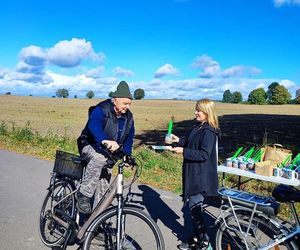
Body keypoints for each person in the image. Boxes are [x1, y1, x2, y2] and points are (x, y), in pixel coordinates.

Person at [169, 98, 221, 250]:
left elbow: (204, 154)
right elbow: (192, 145)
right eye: (196, 109)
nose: (195, 112)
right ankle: (195, 239)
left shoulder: (209, 131)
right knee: (193, 208)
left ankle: (205, 243)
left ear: (207, 112)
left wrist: (183, 151)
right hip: (193, 174)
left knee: (194, 208)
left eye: (198, 110)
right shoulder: (198, 127)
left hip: (201, 177)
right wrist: (179, 141)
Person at [76, 80, 135, 214]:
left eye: (129, 104)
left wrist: (126, 154)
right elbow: (94, 125)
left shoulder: (129, 117)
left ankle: (96, 222)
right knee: (99, 159)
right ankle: (83, 194)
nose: (127, 107)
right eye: (125, 103)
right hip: (89, 145)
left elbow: (129, 137)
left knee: (104, 183)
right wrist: (104, 140)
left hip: (107, 153)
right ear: (115, 100)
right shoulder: (102, 108)